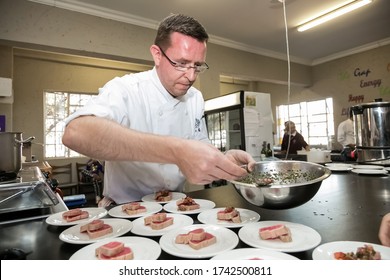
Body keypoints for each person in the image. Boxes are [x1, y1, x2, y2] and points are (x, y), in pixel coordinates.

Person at [62, 14, 255, 205]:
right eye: (180, 63)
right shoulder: (127, 88)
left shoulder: (195, 97)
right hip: (125, 208)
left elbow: (199, 145)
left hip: (175, 205)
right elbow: (76, 133)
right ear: (157, 55)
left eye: (197, 66)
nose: (191, 76)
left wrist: (223, 161)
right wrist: (175, 151)